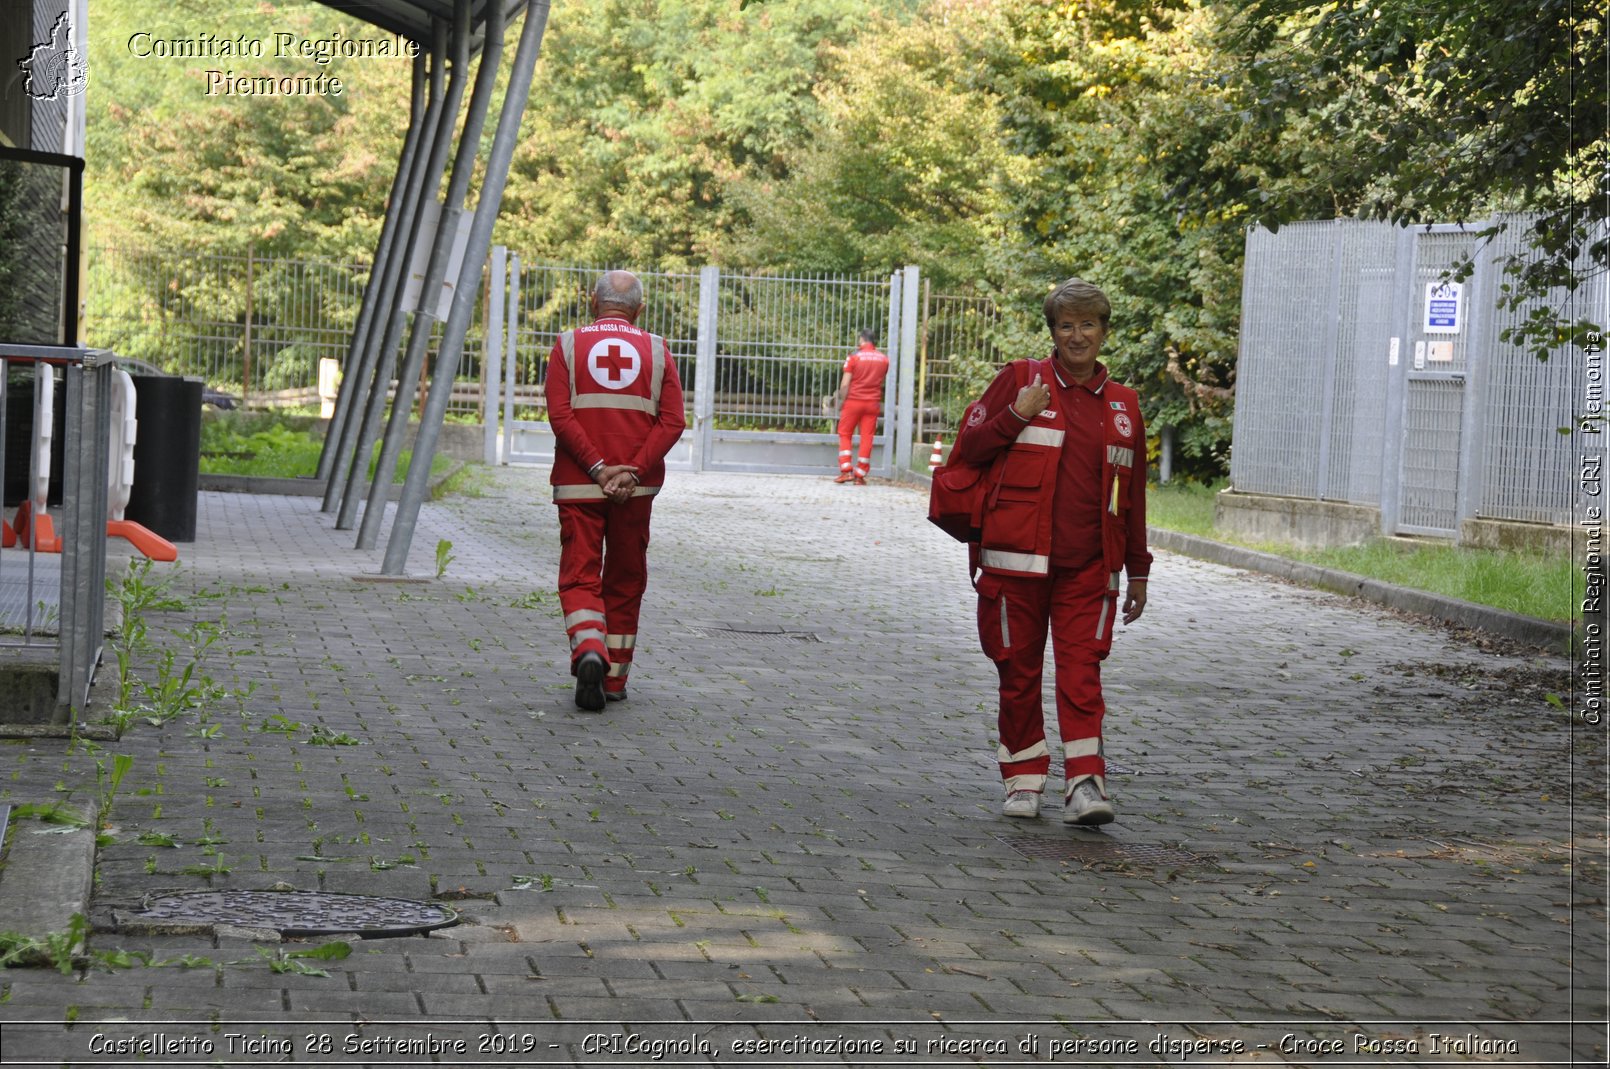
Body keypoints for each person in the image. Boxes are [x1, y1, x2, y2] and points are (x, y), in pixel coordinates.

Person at [951, 277, 1151, 825]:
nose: (1078, 335)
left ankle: (1086, 784)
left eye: (1089, 324)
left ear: (1105, 332)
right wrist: (1017, 413)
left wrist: (1139, 571)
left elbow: (1130, 498)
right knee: (1017, 673)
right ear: (1053, 332)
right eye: (1067, 325)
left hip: (1090, 568)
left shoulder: (1125, 406)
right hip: (1015, 567)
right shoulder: (1021, 379)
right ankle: (1023, 780)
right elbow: (968, 449)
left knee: (1082, 674)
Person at [545, 271, 686, 711]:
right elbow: (673, 420)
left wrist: (598, 468)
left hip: (578, 482)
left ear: (593, 302)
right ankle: (613, 681)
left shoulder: (567, 345)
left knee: (580, 574)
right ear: (640, 310)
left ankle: (590, 648)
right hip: (635, 490)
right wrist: (633, 472)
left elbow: (560, 414)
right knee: (625, 579)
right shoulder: (657, 350)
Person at [832, 329, 890, 484]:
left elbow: (845, 384)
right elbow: (880, 380)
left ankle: (846, 471)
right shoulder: (884, 359)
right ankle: (860, 474)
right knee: (867, 436)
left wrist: (843, 400)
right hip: (872, 403)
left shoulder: (854, 357)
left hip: (853, 401)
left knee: (845, 433)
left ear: (862, 339)